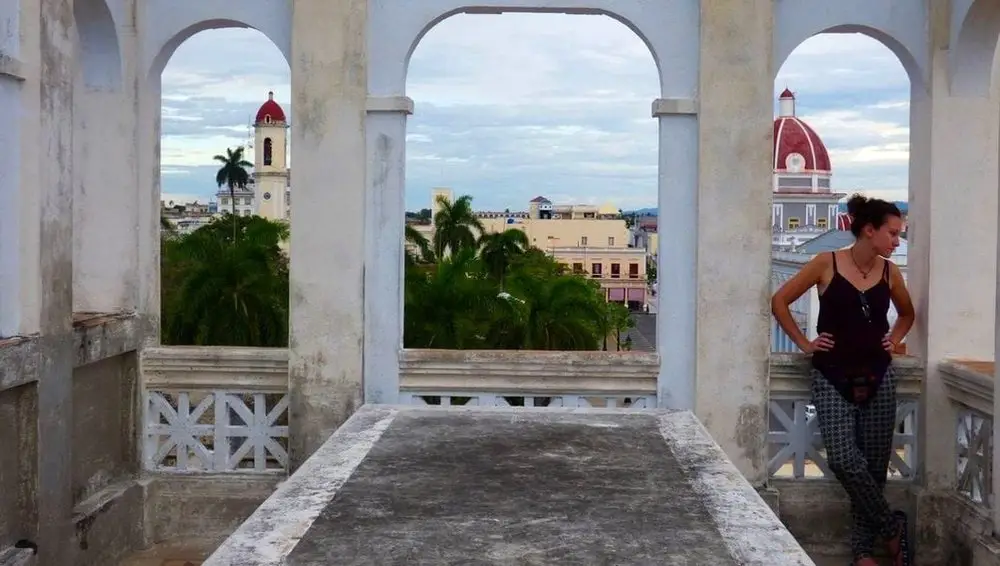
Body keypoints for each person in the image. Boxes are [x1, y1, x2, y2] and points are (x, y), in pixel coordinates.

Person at [771, 194, 914, 566]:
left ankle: (863, 552)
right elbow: (780, 301)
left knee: (873, 465)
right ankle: (890, 527)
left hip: (879, 376)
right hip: (831, 375)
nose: (897, 242)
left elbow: (906, 314)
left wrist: (894, 340)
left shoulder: (889, 271)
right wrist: (805, 343)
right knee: (844, 460)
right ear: (870, 230)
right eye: (893, 234)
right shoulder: (826, 263)